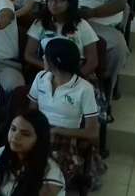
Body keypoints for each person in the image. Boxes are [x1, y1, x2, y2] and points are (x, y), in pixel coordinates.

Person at [49, 0, 129, 95]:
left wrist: (92, 12)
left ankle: (107, 82)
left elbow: (119, 3)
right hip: (67, 25)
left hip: (99, 25)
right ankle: (61, 82)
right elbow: (47, 5)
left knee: (118, 46)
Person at [29, 39, 101, 191]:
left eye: (46, 55)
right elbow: (32, 112)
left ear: (55, 61)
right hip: (40, 132)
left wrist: (57, 130)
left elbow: (92, 132)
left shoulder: (84, 89)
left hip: (65, 138)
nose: (43, 58)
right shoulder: (40, 78)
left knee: (49, 170)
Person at [0, 110, 65, 196]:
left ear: (39, 140)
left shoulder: (50, 171)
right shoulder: (2, 152)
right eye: (13, 129)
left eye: (25, 134)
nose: (15, 136)